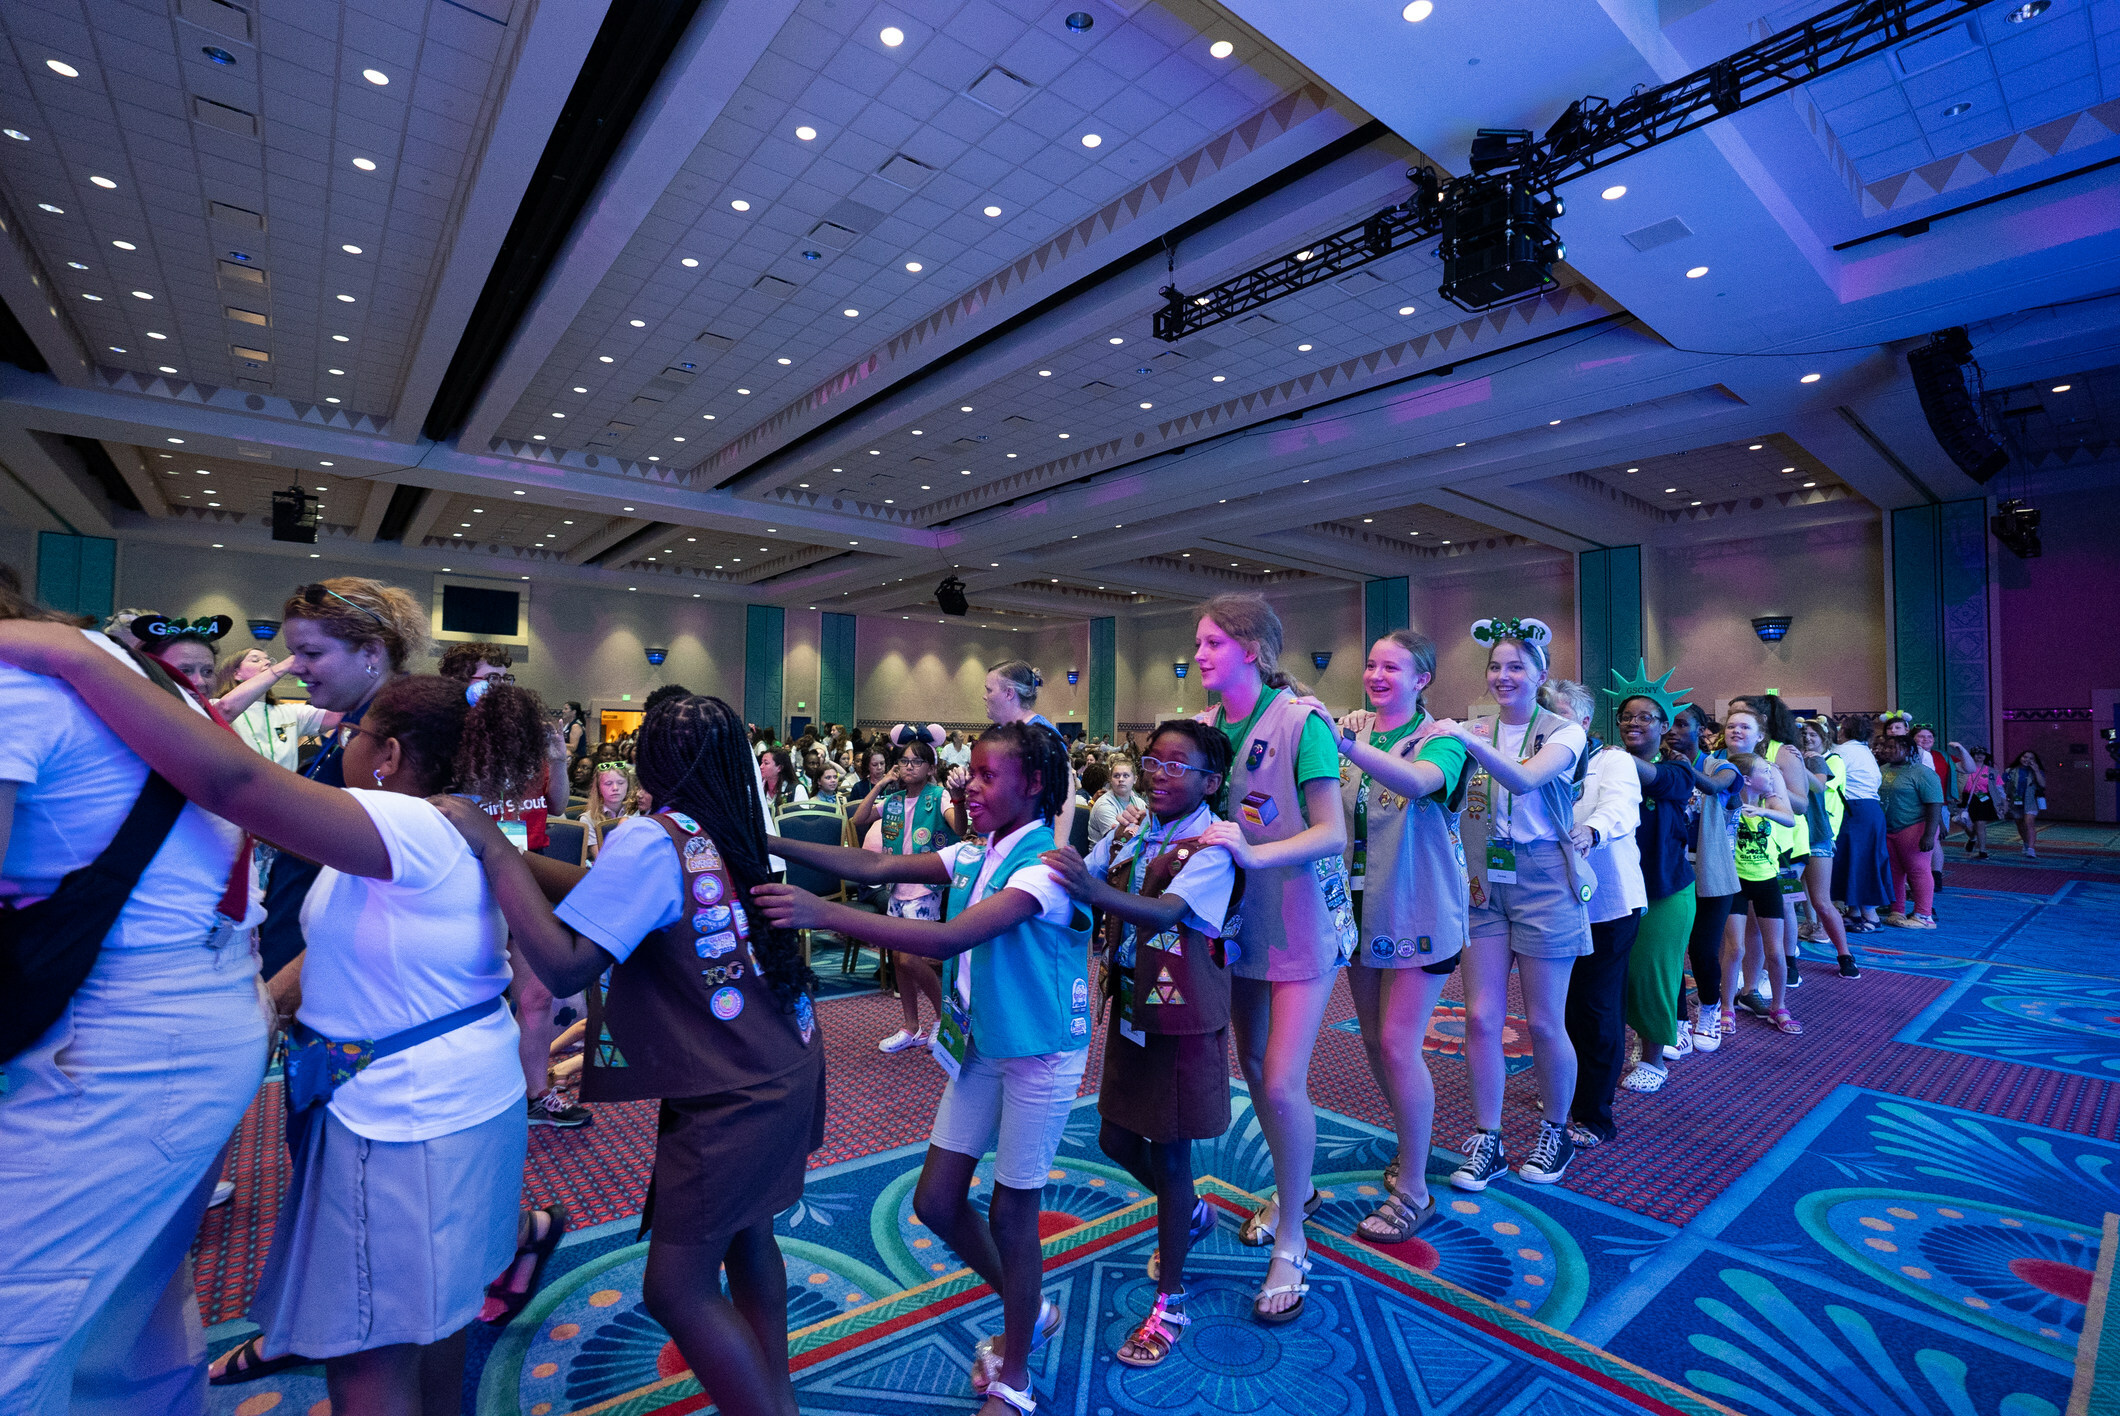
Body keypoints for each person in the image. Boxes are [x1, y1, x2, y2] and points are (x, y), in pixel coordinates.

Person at [0, 617, 547, 1415]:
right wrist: (264, 998)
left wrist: (78, 655)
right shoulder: (430, 829)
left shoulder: (404, 824)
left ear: (390, 757)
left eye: (355, 735)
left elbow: (236, 784)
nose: (337, 746)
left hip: (407, 1107)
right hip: (429, 1091)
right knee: (429, 1319)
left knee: (366, 1354)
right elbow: (339, 943)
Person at [438, 692, 822, 1416]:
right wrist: (517, 860)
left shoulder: (652, 836)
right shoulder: (726, 824)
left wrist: (490, 848)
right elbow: (610, 896)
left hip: (730, 1095)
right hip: (782, 1063)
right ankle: (776, 1394)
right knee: (748, 1238)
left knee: (674, 1289)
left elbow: (566, 967)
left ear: (652, 759)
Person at [756, 723, 1089, 1416]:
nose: (969, 783)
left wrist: (823, 914)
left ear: (1031, 786)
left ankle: (1019, 1373)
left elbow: (947, 937)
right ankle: (1030, 1307)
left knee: (1011, 1211)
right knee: (936, 1201)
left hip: (1042, 1052)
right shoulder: (978, 849)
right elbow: (874, 869)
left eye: (987, 776)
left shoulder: (1045, 868)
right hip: (989, 1042)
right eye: (971, 772)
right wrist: (763, 843)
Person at [0, 593, 271, 1416]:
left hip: (128, 1026)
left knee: (21, 1309)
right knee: (129, 1310)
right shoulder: (109, 676)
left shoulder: (23, 683)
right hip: (191, 1004)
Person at [1041, 720, 1239, 1366]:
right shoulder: (1133, 828)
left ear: (1211, 782)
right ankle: (1193, 1212)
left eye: (1175, 766)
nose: (1157, 773)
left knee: (1172, 1157)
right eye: (1152, 760)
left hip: (1179, 1015)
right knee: (1115, 1138)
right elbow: (1082, 873)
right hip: (1131, 1003)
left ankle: (1171, 1303)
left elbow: (1165, 913)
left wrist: (1089, 887)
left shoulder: (1211, 845)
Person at [1178, 594, 1351, 1323]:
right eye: (1199, 642)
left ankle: (1292, 1235)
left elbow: (1332, 832)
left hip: (1304, 921)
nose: (1200, 655)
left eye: (1212, 642)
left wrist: (1251, 850)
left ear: (1251, 648)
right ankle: (1297, 1183)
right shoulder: (1211, 728)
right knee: (1253, 1070)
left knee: (1280, 1081)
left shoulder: (1301, 722)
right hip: (1242, 921)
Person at [1435, 617, 1591, 1188]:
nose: (1503, 676)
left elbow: (1526, 781)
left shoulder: (1564, 730)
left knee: (1546, 1021)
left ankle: (1555, 1131)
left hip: (1546, 876)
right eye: (1496, 667)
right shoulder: (1476, 729)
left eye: (1516, 667)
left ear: (1540, 673)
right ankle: (1489, 1137)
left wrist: (1464, 740)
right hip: (1483, 876)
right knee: (1480, 1017)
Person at [1331, 629, 1470, 1239]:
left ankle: (1415, 1187)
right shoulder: (1353, 733)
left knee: (1396, 1043)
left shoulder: (1443, 740)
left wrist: (1348, 743)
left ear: (1423, 680)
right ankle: (1408, 1145)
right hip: (1360, 908)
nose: (1377, 674)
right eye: (1371, 664)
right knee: (1371, 1041)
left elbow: (1416, 783)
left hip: (1420, 909)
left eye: (1393, 667)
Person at [257, 578, 428, 985]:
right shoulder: (358, 722)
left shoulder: (393, 733)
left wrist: (282, 990)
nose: (296, 667)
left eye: (311, 653)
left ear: (371, 651)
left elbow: (373, 881)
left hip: (329, 970)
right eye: (294, 652)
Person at [1545, 679, 1642, 1147]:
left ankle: (1594, 1113)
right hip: (1551, 901)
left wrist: (1591, 832)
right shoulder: (1538, 759)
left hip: (1608, 903)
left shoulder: (1613, 760)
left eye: (1562, 715)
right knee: (1559, 1008)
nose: (1552, 723)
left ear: (1584, 723)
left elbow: (1621, 809)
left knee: (1597, 1007)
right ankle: (1566, 1094)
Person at [1600, 669, 1698, 1096]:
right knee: (1609, 978)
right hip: (1616, 889)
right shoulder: (1606, 767)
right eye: (1626, 716)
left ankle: (1655, 1058)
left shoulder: (1678, 772)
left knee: (1652, 975)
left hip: (1665, 891)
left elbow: (1651, 779)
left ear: (1664, 726)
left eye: (1645, 717)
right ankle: (1615, 1053)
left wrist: (1597, 755)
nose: (1633, 723)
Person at [851, 729, 958, 1054]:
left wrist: (958, 801)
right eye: (905, 761)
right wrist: (882, 783)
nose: (909, 766)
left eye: (917, 762)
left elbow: (959, 827)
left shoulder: (938, 796)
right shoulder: (893, 801)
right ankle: (911, 1026)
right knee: (899, 960)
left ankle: (943, 1018)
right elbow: (858, 818)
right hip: (896, 887)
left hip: (925, 889)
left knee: (910, 959)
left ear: (930, 767)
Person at [1668, 705, 1740, 1054]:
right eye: (1668, 724)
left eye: (1683, 725)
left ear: (1701, 731)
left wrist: (1682, 769)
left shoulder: (1718, 766)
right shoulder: (1657, 765)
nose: (1673, 731)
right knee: (1669, 951)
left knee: (1702, 951)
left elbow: (1714, 787)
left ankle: (1709, 1011)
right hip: (1671, 874)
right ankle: (1678, 1022)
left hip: (1712, 875)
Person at [1794, 719, 1858, 977]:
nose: (1808, 738)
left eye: (1813, 734)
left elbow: (1819, 785)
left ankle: (1845, 956)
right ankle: (1787, 961)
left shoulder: (1823, 760)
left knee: (1821, 900)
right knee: (1786, 899)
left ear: (1825, 737)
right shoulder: (1785, 756)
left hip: (1818, 836)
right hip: (1789, 841)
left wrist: (1797, 763)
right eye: (1804, 734)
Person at [215, 645, 333, 770]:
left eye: (267, 659)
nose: (267, 663)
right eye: (256, 660)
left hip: (283, 789)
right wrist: (286, 664)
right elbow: (225, 708)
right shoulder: (214, 705)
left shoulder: (289, 711)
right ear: (236, 674)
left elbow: (337, 716)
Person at [1830, 715, 1892, 931]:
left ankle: (1870, 915)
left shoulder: (1841, 751)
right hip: (1869, 810)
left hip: (1855, 810)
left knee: (1860, 861)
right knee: (1855, 859)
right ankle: (1855, 911)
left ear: (1844, 731)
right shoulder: (1864, 751)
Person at [1879, 732, 1945, 927]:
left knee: (1918, 870)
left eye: (1893, 748)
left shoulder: (1922, 772)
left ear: (1908, 750)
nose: (1888, 751)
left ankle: (1924, 915)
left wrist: (1929, 835)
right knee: (1894, 871)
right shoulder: (1882, 769)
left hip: (1914, 827)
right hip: (1889, 828)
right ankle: (1897, 910)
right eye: (1886, 747)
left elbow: (1934, 803)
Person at [583, 760, 639, 859]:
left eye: (621, 783)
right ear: (598, 788)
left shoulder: (638, 813)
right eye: (608, 783)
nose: (615, 788)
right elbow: (600, 858)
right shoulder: (588, 819)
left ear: (628, 785)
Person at [1088, 755, 1140, 843]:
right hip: (1108, 854)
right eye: (1116, 776)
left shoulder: (1139, 802)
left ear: (1134, 779)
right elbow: (1120, 840)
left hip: (1131, 850)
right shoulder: (1103, 804)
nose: (1121, 779)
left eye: (1126, 776)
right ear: (1110, 780)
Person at [2006, 750, 2045, 858]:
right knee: (2020, 824)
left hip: (2030, 801)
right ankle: (2026, 843)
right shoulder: (2010, 771)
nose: (2027, 760)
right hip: (2015, 801)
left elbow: (2042, 784)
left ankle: (2031, 849)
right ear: (2020, 757)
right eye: (2025, 757)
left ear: (2034, 761)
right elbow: (2004, 785)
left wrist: (2036, 771)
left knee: (2029, 823)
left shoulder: (2036, 771)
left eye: (2031, 758)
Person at [1962, 747, 1999, 858]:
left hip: (1983, 799)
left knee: (1980, 825)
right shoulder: (1962, 768)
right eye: (1976, 754)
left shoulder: (1991, 770)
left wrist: (2002, 802)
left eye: (1982, 754)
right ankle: (1972, 838)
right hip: (1966, 798)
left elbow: (1998, 787)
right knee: (1965, 823)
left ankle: (1982, 850)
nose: (1979, 756)